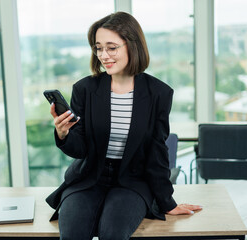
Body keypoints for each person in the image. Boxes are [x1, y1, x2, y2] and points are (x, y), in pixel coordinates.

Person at [46, 11, 202, 240]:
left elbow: (157, 151)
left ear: (132, 46)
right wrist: (63, 133)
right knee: (72, 235)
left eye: (112, 47)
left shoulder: (158, 93)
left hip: (132, 181)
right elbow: (79, 149)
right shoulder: (85, 89)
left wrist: (167, 202)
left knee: (113, 234)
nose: (103, 55)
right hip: (88, 179)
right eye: (98, 48)